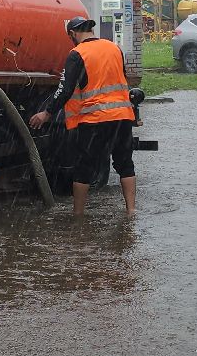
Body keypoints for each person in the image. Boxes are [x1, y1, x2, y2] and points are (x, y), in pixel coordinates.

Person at [28, 17, 137, 216]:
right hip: (122, 115)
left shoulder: (77, 54)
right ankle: (131, 210)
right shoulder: (114, 48)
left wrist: (47, 113)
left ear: (72, 34)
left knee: (84, 166)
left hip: (95, 118)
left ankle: (78, 214)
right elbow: (123, 79)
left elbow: (65, 89)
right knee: (125, 162)